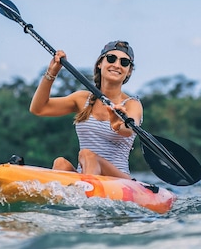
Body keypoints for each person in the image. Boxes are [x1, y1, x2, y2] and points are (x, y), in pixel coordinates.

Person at [29, 41, 142, 178]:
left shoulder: (132, 104)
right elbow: (39, 108)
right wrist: (52, 72)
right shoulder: (82, 99)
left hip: (119, 180)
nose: (117, 65)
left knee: (87, 154)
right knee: (60, 163)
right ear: (100, 64)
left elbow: (128, 130)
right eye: (111, 59)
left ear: (128, 71)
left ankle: (88, 189)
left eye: (124, 62)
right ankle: (83, 187)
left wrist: (117, 125)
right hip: (85, 174)